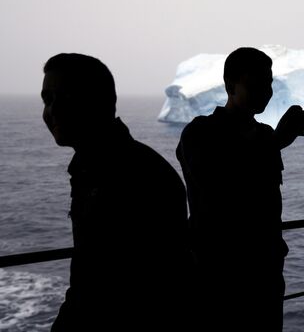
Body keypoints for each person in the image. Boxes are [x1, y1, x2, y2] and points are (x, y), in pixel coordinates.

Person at [42, 53, 192, 332]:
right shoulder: (99, 167)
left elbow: (121, 288)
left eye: (65, 97)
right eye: (47, 99)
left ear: (96, 101)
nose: (52, 110)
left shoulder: (133, 174)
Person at [176, 47, 304, 331]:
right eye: (256, 83)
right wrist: (275, 144)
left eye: (269, 83)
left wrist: (274, 142)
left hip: (266, 269)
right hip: (219, 274)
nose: (266, 91)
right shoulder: (200, 134)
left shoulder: (265, 135)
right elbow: (223, 190)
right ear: (229, 85)